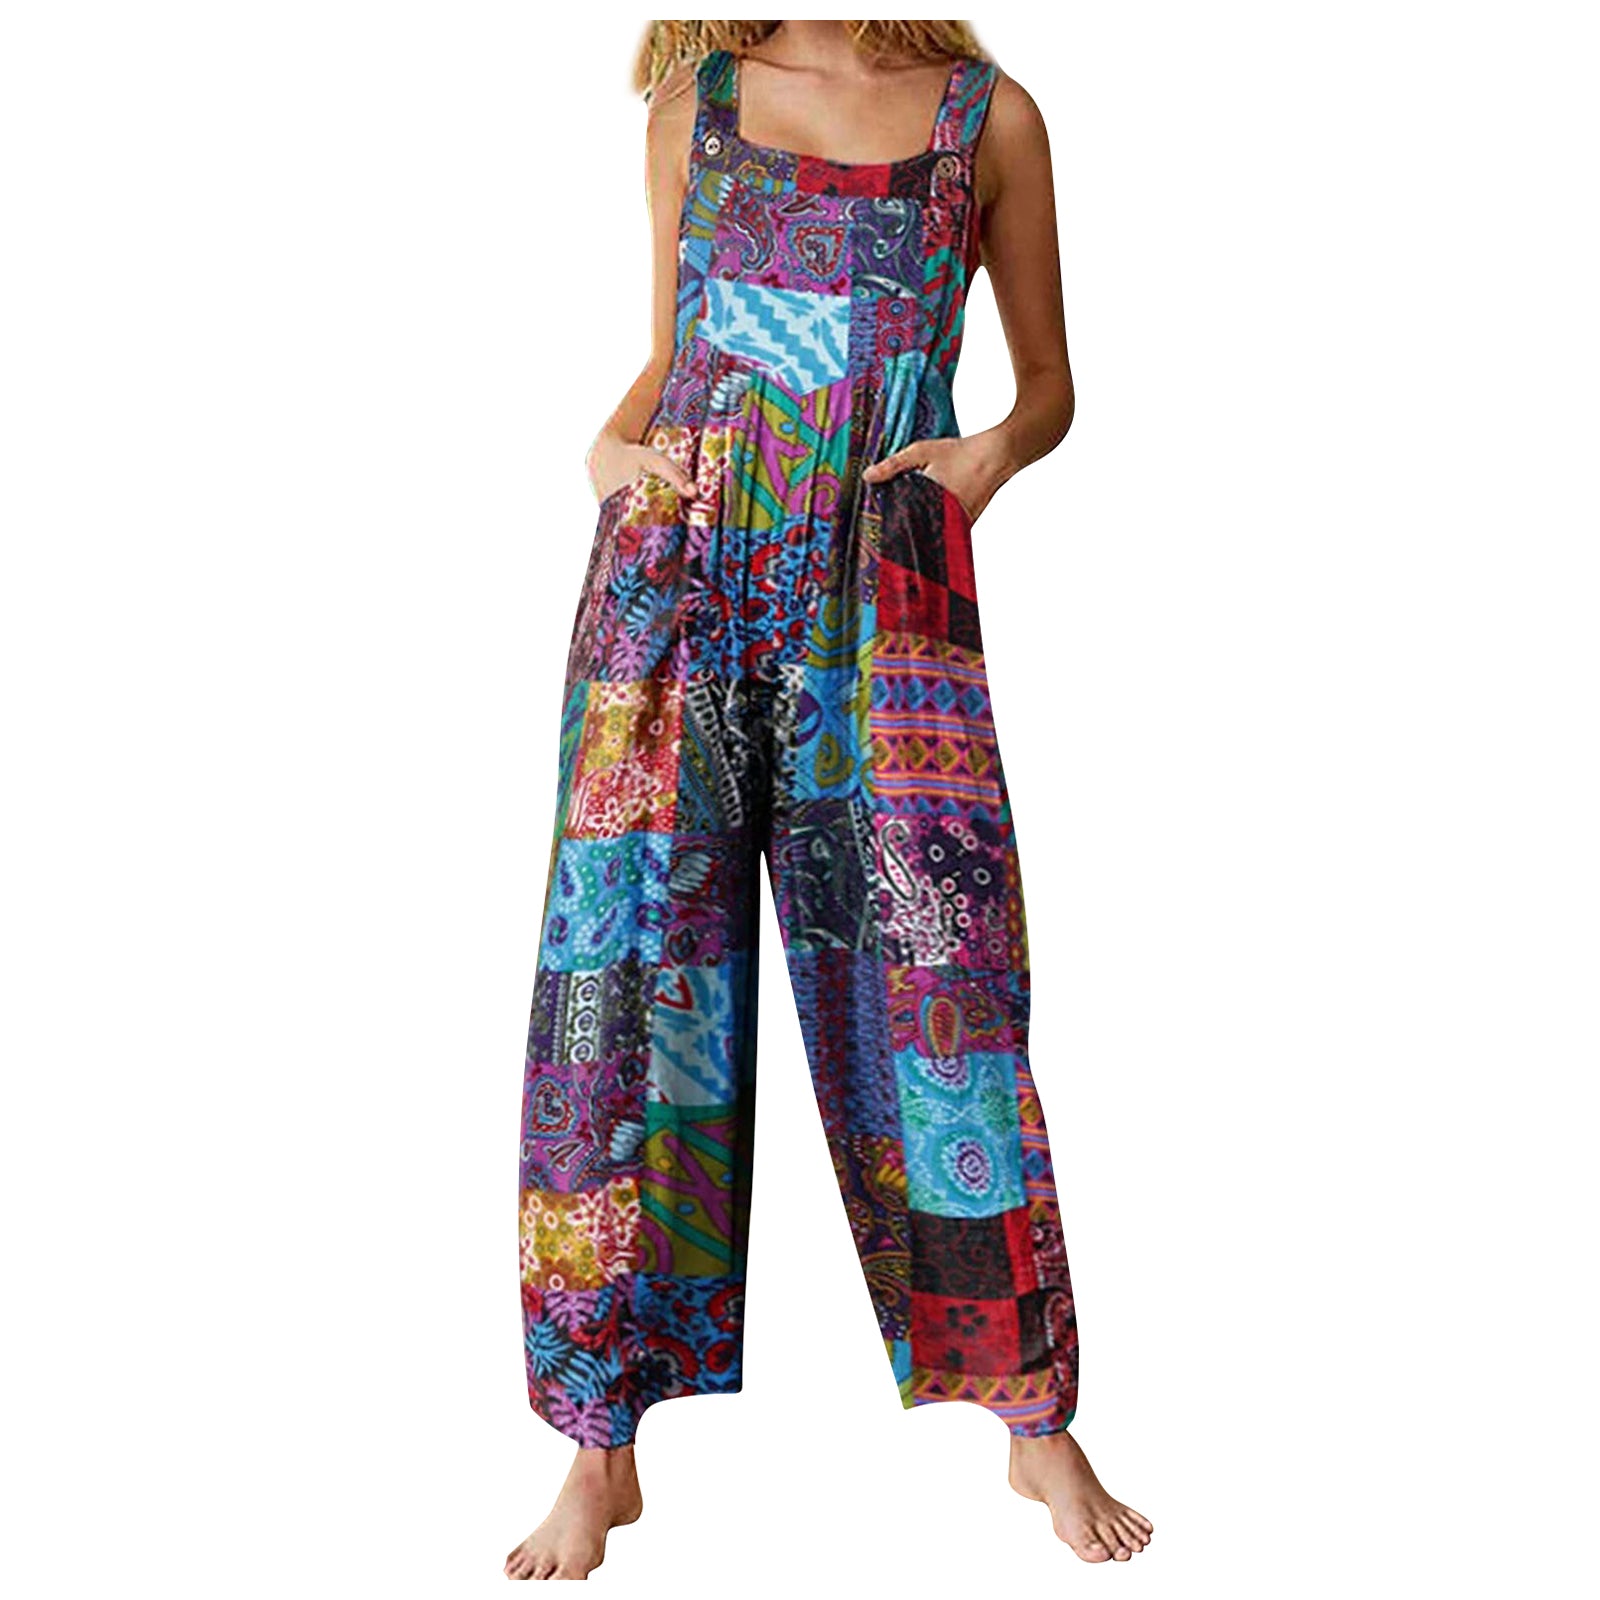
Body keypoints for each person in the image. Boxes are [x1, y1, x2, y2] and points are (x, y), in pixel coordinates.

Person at [505, 20, 1151, 1580]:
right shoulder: (696, 106)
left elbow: (1049, 389)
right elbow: (674, 350)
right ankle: (601, 1442)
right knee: (625, 1001)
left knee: (943, 992)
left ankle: (1030, 1416)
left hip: (885, 597)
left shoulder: (989, 121)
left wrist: (986, 461)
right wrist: (605, 449)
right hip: (674, 586)